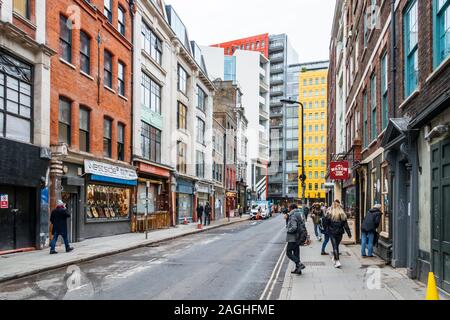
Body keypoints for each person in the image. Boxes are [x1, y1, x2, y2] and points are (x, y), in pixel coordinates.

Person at [324, 200, 351, 268]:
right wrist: (349, 233)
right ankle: (335, 258)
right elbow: (346, 225)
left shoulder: (330, 213)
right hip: (340, 232)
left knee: (335, 246)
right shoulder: (342, 213)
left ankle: (337, 261)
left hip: (332, 232)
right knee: (336, 246)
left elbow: (325, 223)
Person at [286, 204, 307, 275]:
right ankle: (298, 270)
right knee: (296, 253)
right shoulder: (299, 214)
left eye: (289, 208)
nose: (288, 209)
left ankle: (299, 263)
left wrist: (288, 230)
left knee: (288, 253)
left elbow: (294, 227)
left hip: (292, 238)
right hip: (298, 237)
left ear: (291, 208)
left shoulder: (293, 215)